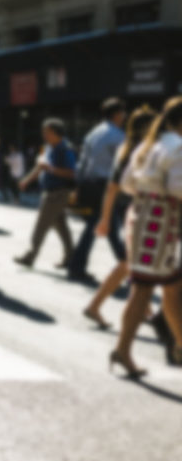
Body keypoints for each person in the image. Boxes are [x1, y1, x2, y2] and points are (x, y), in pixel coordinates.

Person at [111, 97, 182, 377]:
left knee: (171, 287)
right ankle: (123, 350)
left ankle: (177, 345)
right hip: (161, 223)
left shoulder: (147, 144)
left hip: (141, 217)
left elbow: (127, 184)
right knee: (145, 288)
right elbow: (177, 187)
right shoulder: (177, 146)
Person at [83, 106, 155, 329]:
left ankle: (144, 309)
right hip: (135, 212)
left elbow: (112, 188)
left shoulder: (127, 148)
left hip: (130, 212)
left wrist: (105, 219)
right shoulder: (137, 152)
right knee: (130, 264)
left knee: (131, 264)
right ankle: (96, 306)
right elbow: (112, 187)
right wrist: (104, 219)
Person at [68, 97, 127, 285]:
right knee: (106, 226)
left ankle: (127, 266)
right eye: (123, 112)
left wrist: (77, 186)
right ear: (117, 114)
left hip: (89, 184)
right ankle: (129, 267)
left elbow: (82, 163)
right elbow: (122, 166)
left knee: (103, 226)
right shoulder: (118, 136)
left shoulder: (93, 133)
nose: (124, 116)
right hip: (105, 186)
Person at [13, 119, 76, 270]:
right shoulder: (49, 147)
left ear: (56, 133)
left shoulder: (65, 148)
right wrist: (27, 180)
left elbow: (71, 173)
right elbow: (41, 166)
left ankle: (30, 256)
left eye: (47, 133)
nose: (44, 135)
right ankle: (71, 258)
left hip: (58, 193)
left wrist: (51, 169)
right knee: (61, 226)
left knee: (41, 225)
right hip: (50, 191)